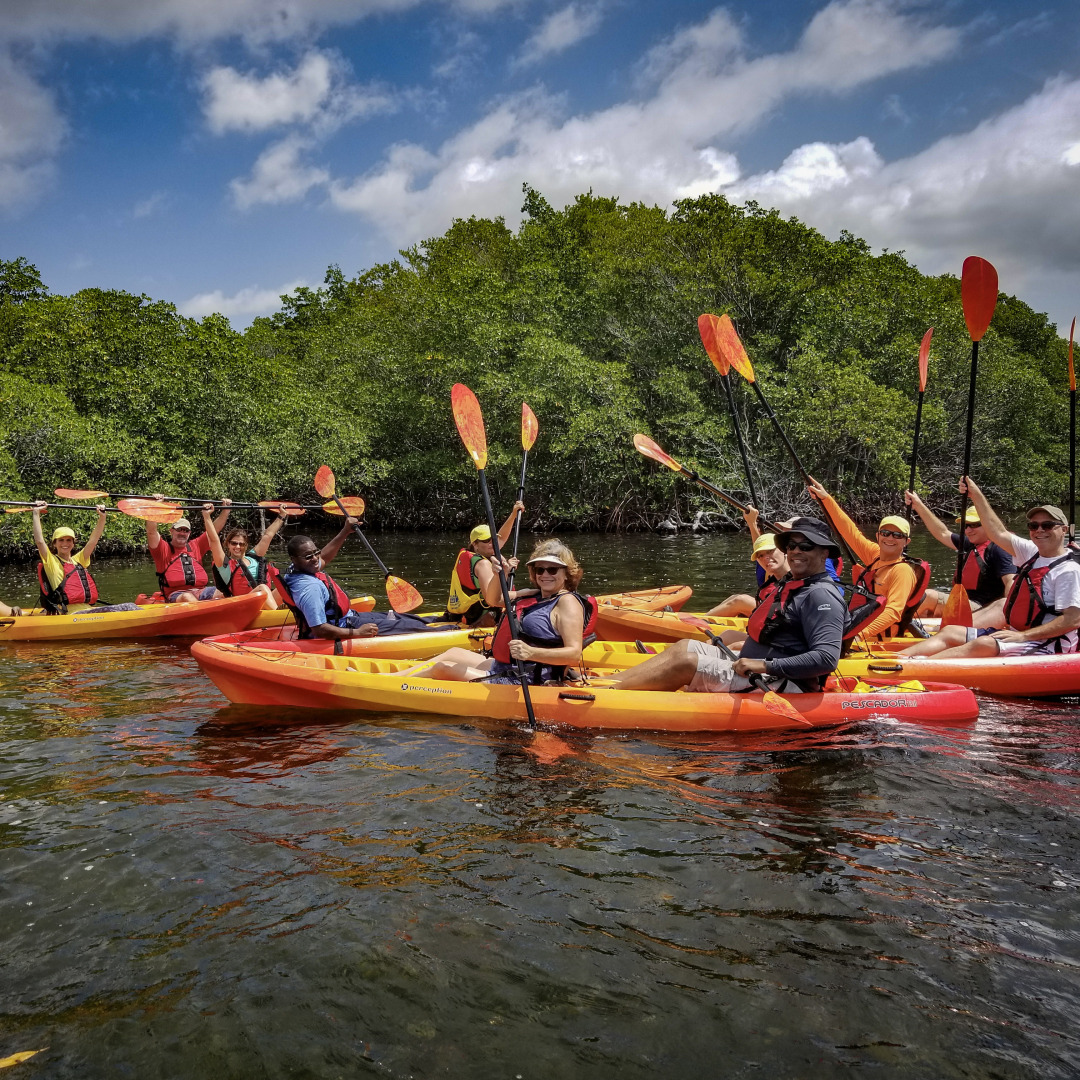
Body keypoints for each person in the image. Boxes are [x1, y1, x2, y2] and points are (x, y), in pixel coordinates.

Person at [608, 518, 844, 693]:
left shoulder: (822, 595)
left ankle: (607, 697)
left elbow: (826, 658)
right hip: (751, 665)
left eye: (805, 547)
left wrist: (763, 664)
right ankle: (611, 683)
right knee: (685, 647)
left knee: (687, 662)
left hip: (782, 681)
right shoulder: (793, 583)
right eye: (791, 546)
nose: (795, 552)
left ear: (824, 553)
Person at [900, 478, 1080, 658]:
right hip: (1019, 635)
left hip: (1048, 644)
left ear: (1064, 529)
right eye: (1034, 526)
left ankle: (912, 668)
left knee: (983, 643)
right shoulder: (1032, 552)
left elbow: (1073, 619)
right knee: (951, 632)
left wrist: (1022, 635)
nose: (1039, 530)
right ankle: (894, 660)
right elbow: (998, 532)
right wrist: (975, 494)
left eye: (1047, 525)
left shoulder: (1068, 570)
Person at [411, 539, 595, 684]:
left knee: (443, 668)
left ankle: (392, 687)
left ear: (567, 573)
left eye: (552, 569)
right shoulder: (535, 595)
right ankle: (390, 679)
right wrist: (502, 574)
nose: (545, 575)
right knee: (453, 653)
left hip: (526, 679)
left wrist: (531, 652)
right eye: (540, 569)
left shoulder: (567, 603)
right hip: (506, 667)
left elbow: (573, 653)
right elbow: (494, 600)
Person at [806, 478, 929, 639]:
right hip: (857, 626)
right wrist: (826, 499)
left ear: (906, 542)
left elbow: (893, 612)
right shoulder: (874, 554)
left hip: (877, 639)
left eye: (897, 535)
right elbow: (849, 531)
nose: (890, 538)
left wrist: (858, 635)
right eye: (885, 533)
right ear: (878, 536)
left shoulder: (903, 571)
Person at [905, 492, 1016, 619]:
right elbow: (942, 533)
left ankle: (896, 626)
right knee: (919, 605)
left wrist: (1008, 616)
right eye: (966, 525)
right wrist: (918, 505)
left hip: (983, 610)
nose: (968, 530)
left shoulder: (1000, 549)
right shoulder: (971, 544)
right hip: (963, 603)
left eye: (974, 525)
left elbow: (1011, 583)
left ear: (989, 524)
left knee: (927, 596)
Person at [275, 523, 380, 641]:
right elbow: (318, 628)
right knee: (404, 625)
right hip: (342, 626)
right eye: (308, 556)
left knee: (398, 618)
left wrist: (345, 531)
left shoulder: (297, 568)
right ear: (294, 559)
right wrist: (357, 632)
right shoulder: (310, 587)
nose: (315, 558)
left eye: (316, 552)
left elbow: (323, 558)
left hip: (349, 617)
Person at [31, 502, 138, 615]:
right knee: (129, 607)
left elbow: (93, 540)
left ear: (73, 543)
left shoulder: (78, 561)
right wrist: (36, 513)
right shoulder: (51, 562)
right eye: (61, 540)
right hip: (70, 614)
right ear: (54, 544)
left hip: (88, 610)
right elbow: (39, 541)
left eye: (68, 540)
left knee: (130, 606)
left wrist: (102, 517)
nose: (65, 544)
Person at [444, 501, 526, 625]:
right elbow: (492, 600)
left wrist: (513, 514)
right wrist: (523, 595)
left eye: (493, 539)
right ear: (475, 544)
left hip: (463, 612)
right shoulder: (482, 564)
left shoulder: (472, 554)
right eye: (487, 540)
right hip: (477, 617)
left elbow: (502, 537)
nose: (492, 543)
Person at [204, 503, 288, 610]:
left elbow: (268, 535)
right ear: (228, 544)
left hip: (261, 599)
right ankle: (278, 616)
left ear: (246, 545)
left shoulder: (254, 557)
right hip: (244, 606)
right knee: (262, 588)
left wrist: (282, 515)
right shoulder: (223, 564)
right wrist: (207, 516)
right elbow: (214, 540)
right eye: (234, 543)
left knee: (287, 585)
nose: (237, 547)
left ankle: (293, 614)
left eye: (241, 544)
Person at [145, 501, 232, 603]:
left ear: (189, 533)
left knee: (224, 591)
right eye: (179, 529)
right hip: (176, 594)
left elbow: (214, 530)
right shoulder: (162, 549)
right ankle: (204, 614)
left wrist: (225, 511)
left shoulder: (196, 545)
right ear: (171, 531)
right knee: (187, 597)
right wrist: (156, 506)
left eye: (186, 531)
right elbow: (151, 532)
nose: (182, 533)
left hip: (200, 591)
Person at [707, 531, 789, 617]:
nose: (765, 558)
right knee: (735, 597)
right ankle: (705, 618)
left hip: (782, 615)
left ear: (784, 549)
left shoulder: (797, 570)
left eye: (770, 551)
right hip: (772, 611)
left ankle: (700, 623)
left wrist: (752, 524)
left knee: (741, 600)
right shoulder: (772, 574)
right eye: (760, 556)